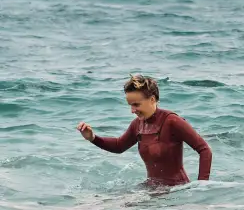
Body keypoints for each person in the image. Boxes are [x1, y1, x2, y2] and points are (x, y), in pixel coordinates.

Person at [77, 74, 212, 186]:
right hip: (151, 188)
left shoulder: (172, 121)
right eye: (130, 105)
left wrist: (201, 186)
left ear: (152, 99)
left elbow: (204, 150)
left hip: (175, 190)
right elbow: (119, 146)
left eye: (136, 105)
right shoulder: (137, 124)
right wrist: (92, 138)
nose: (132, 110)